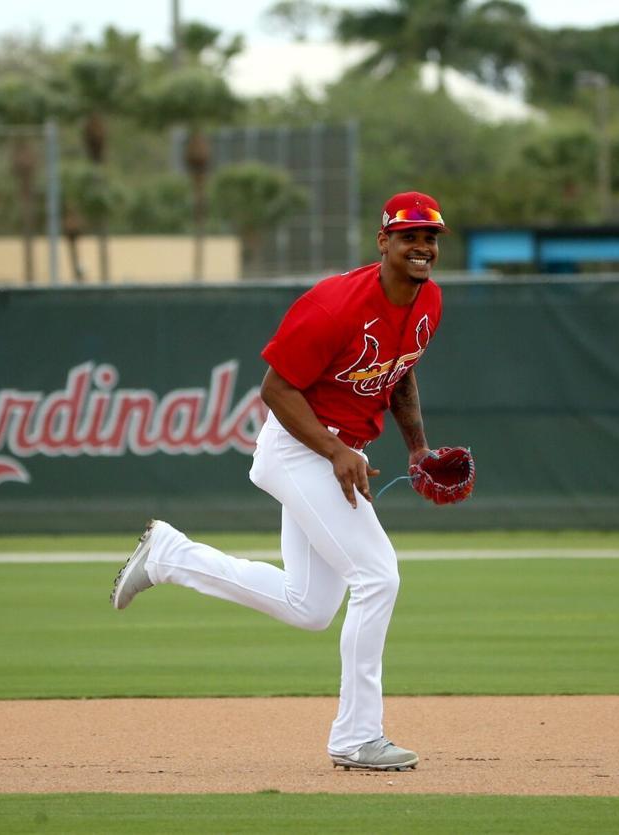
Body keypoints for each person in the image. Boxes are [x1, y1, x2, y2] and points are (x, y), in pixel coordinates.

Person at [111, 191, 449, 772]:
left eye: (431, 237)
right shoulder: (335, 305)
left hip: (332, 452)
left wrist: (418, 448)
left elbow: (400, 374)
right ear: (383, 242)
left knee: (310, 606)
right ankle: (356, 738)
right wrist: (336, 450)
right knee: (378, 576)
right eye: (409, 236)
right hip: (299, 447)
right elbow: (275, 389)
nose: (422, 247)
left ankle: (170, 555)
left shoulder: (428, 302)